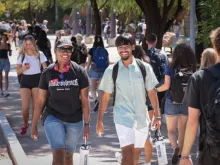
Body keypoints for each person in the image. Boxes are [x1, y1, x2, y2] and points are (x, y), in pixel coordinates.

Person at [96, 33, 161, 165]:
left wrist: (158, 116)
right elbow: (105, 96)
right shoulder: (111, 70)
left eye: (126, 46)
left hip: (141, 118)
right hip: (122, 117)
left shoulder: (145, 68)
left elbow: (152, 93)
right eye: (120, 47)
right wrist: (99, 120)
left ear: (133, 47)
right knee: (128, 153)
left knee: (135, 155)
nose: (123, 50)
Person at [31, 38, 90, 165]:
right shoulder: (48, 72)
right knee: (58, 153)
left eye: (69, 49)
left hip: (74, 119)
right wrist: (34, 124)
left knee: (68, 156)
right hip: (53, 116)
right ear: (55, 51)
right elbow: (40, 100)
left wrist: (87, 124)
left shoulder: (80, 72)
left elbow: (85, 99)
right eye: (62, 49)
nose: (65, 52)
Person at [179, 28, 220, 165]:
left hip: (212, 151)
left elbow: (192, 121)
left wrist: (185, 156)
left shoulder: (199, 78)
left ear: (215, 46)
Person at [156, 43, 197, 164]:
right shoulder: (192, 66)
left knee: (171, 130)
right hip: (187, 102)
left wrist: (155, 90)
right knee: (182, 129)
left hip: (172, 101)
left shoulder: (171, 66)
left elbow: (166, 85)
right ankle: (182, 155)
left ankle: (175, 149)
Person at [16, 35, 47, 136]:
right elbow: (18, 72)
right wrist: (23, 69)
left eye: (30, 44)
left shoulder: (40, 54)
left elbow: (45, 69)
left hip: (37, 80)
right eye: (26, 44)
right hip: (25, 81)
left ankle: (34, 126)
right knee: (25, 107)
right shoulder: (22, 55)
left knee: (35, 107)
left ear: (34, 44)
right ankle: (25, 124)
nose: (28, 46)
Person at [145, 33, 169, 113]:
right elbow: (167, 69)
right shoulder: (163, 54)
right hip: (160, 85)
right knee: (159, 107)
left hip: (147, 86)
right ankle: (158, 124)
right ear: (156, 41)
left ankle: (150, 124)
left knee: (149, 108)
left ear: (146, 42)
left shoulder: (143, 55)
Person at [85, 35, 109, 112]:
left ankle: (95, 100)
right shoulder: (105, 50)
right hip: (103, 70)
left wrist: (87, 69)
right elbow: (107, 62)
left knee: (92, 88)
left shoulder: (91, 50)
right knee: (100, 88)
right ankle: (100, 102)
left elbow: (88, 62)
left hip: (94, 70)